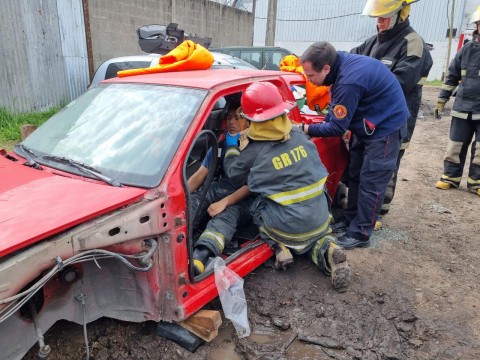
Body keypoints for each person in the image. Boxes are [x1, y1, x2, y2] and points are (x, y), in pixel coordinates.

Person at [223, 82, 351, 292]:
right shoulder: (300, 136)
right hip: (319, 216)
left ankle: (279, 246)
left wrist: (230, 146)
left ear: (253, 120)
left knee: (256, 203)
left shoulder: (256, 150)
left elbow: (232, 174)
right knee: (315, 238)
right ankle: (329, 248)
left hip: (286, 225)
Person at [299, 41, 409, 249]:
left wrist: (305, 129)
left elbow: (336, 128)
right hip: (365, 122)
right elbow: (335, 110)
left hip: (385, 127)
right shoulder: (338, 66)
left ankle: (361, 233)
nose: (309, 80)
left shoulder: (349, 81)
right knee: (356, 173)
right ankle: (350, 219)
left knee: (372, 179)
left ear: (326, 68)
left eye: (311, 76)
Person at [351, 0, 433, 220]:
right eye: (377, 18)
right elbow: (351, 62)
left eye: (384, 18)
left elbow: (398, 82)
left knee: (384, 167)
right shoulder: (371, 43)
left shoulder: (413, 44)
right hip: (368, 117)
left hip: (393, 121)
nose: (379, 23)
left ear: (401, 15)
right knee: (360, 164)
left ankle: (378, 211)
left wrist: (360, 90)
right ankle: (359, 210)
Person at [188, 105, 252, 275]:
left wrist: (224, 202)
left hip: (244, 197)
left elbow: (251, 186)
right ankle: (178, 241)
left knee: (226, 217)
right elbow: (201, 175)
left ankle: (200, 256)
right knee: (194, 202)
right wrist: (181, 196)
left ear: (248, 120)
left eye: (237, 117)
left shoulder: (255, 148)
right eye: (229, 117)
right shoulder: (221, 146)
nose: (232, 122)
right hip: (220, 188)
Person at [434, 6, 480, 196]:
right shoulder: (466, 49)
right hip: (462, 107)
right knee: (455, 144)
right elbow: (452, 76)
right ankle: (450, 178)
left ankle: (476, 182)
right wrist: (441, 100)